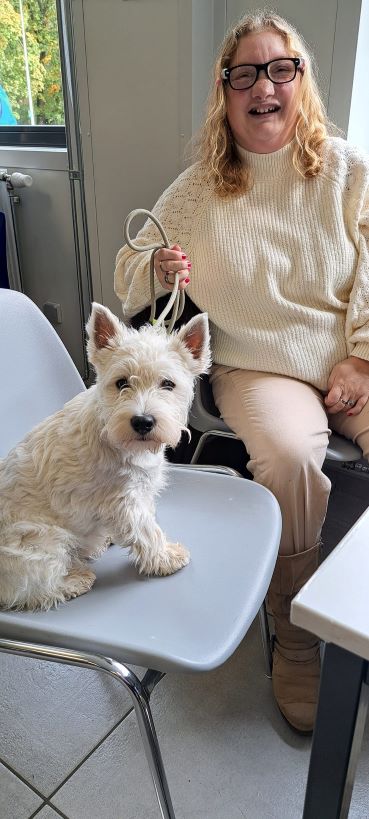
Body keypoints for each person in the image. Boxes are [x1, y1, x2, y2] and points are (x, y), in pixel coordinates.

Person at [114, 10, 369, 734]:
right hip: (260, 367)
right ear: (225, 93)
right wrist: (155, 267)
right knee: (289, 456)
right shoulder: (199, 187)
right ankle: (296, 639)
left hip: (349, 352)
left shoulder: (347, 170)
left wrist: (360, 355)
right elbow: (129, 264)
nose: (264, 85)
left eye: (279, 68)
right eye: (245, 73)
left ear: (301, 81)